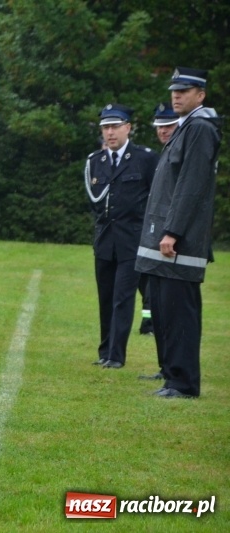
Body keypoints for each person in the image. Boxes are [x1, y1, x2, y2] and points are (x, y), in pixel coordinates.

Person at [135, 67, 222, 399]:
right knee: (164, 310)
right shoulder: (188, 126)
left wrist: (172, 231)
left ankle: (183, 384)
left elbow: (190, 186)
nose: (176, 96)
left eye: (184, 91)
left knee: (179, 313)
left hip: (179, 240)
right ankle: (171, 375)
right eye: (174, 90)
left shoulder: (200, 128)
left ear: (200, 95)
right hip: (166, 237)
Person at [84, 104, 158, 369]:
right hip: (105, 240)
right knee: (105, 298)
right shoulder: (95, 161)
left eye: (115, 126)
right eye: (106, 127)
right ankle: (105, 351)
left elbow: (156, 197)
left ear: (128, 128)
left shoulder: (145, 159)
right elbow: (95, 202)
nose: (110, 132)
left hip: (132, 240)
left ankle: (116, 356)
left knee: (122, 298)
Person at [136, 102, 181, 341]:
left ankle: (154, 324)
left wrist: (172, 230)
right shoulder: (165, 153)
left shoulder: (178, 155)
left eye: (169, 125)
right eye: (160, 126)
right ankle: (151, 322)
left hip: (171, 232)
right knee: (149, 280)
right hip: (154, 229)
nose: (163, 130)